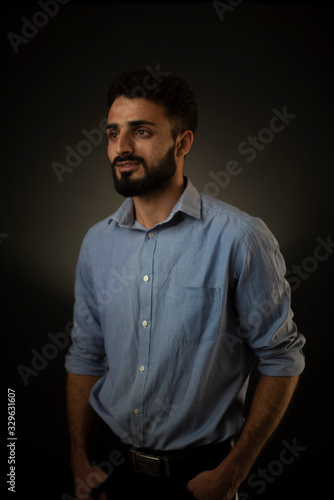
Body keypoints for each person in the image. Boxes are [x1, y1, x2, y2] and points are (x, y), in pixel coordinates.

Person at [65, 68, 305, 500]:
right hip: (109, 473)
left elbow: (282, 358)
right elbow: (85, 354)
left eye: (140, 131)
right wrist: (80, 461)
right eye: (112, 132)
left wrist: (232, 474)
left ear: (183, 142)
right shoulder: (96, 243)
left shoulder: (239, 237)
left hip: (200, 480)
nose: (121, 148)